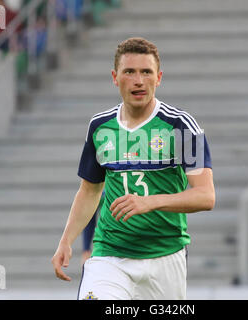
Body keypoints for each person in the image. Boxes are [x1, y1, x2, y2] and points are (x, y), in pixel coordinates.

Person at [51, 37, 215, 300]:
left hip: (166, 257)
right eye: (129, 72)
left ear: (158, 78)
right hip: (110, 256)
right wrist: (66, 240)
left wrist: (149, 202)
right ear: (115, 78)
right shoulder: (100, 127)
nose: (138, 80)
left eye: (146, 72)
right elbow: (89, 191)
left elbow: (206, 196)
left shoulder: (181, 126)